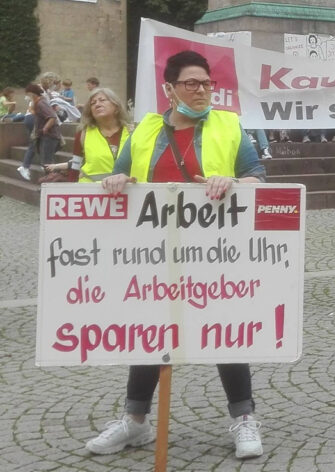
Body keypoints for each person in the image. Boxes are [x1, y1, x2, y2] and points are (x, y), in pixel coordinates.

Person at [90, 51, 267, 459]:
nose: (202, 90)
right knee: (150, 335)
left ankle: (243, 417)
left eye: (207, 83)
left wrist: (234, 181)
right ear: (169, 89)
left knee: (224, 331)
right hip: (152, 254)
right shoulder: (145, 131)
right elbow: (122, 173)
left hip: (215, 253)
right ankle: (136, 422)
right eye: (192, 83)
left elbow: (258, 176)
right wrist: (116, 179)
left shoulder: (230, 125)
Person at [43, 88, 131, 182]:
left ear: (116, 106)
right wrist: (71, 188)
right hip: (91, 193)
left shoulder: (132, 132)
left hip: (129, 192)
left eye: (102, 100)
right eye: (93, 103)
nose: (97, 104)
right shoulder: (83, 133)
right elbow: (76, 165)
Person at [17, 84, 61, 181]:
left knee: (47, 161)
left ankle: (51, 182)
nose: (27, 96)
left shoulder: (41, 103)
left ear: (32, 93)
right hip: (47, 135)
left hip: (49, 136)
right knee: (46, 160)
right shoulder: (38, 102)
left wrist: (45, 129)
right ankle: (50, 181)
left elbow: (52, 117)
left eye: (28, 94)